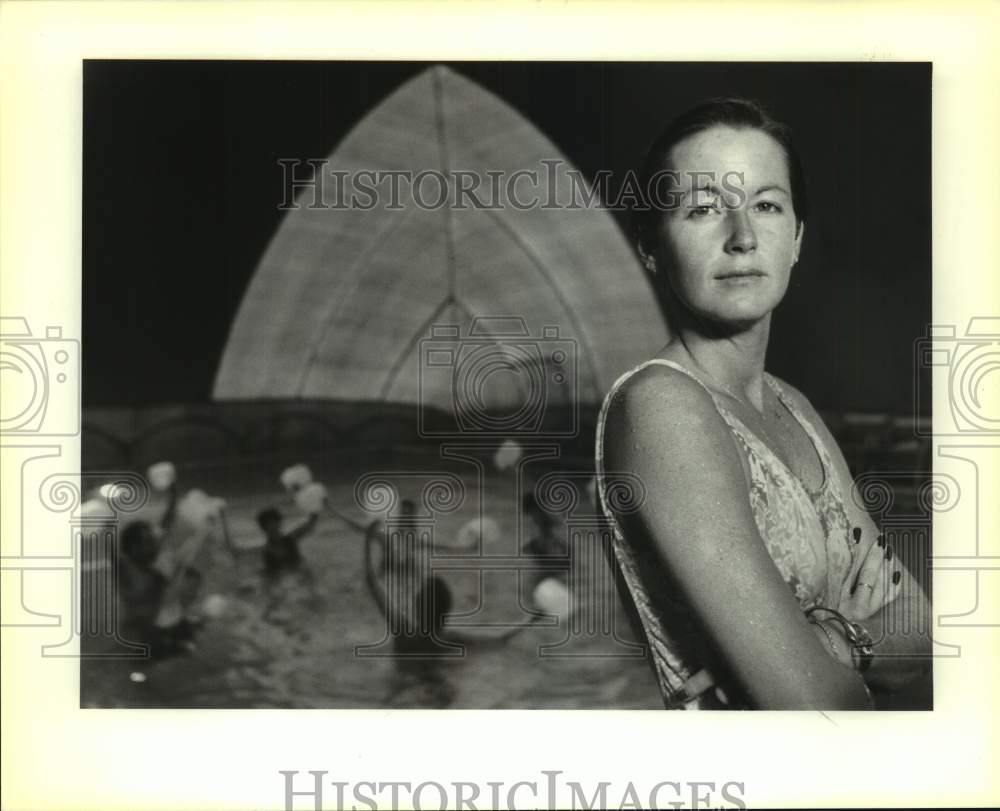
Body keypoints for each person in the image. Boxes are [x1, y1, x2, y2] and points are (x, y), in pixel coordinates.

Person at [596, 97, 931, 710]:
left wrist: (835, 645)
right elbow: (815, 710)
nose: (743, 237)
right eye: (703, 209)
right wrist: (856, 645)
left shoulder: (793, 407)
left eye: (768, 205)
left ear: (797, 237)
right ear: (649, 245)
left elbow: (924, 627)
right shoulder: (661, 406)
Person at [256, 506, 319, 617]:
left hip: (298, 576)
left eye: (274, 523)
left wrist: (315, 507)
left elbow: (310, 525)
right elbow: (270, 578)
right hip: (279, 580)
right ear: (264, 529)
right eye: (269, 525)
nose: (273, 527)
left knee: (305, 570)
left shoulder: (291, 538)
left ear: (280, 523)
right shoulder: (265, 551)